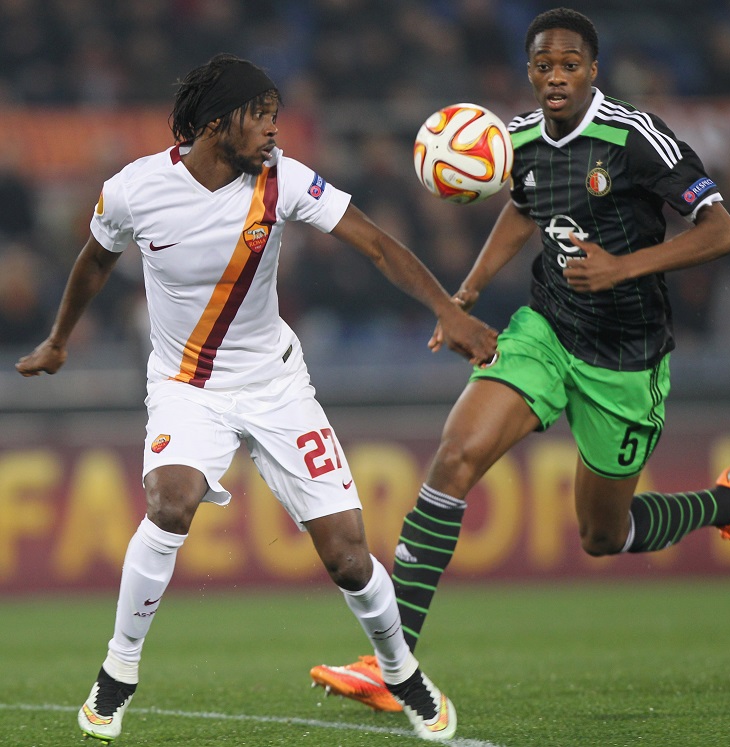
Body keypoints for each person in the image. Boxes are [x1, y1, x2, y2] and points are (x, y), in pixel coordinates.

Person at [17, 53, 499, 743]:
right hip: (186, 386)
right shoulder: (133, 190)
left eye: (276, 117)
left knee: (347, 555)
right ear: (218, 125)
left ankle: (400, 670)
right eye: (262, 117)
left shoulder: (282, 180)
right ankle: (118, 670)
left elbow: (374, 243)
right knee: (170, 501)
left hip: (275, 384)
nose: (274, 130)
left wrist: (447, 311)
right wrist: (59, 340)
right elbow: (95, 260)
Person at [309, 6, 730, 712]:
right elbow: (523, 208)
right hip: (547, 331)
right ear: (529, 72)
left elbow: (722, 229)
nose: (555, 77)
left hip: (626, 357)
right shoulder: (518, 140)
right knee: (456, 456)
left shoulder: (636, 138)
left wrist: (622, 267)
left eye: (569, 66)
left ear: (593, 71)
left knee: (603, 534)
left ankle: (729, 503)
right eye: (543, 66)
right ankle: (391, 664)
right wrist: (466, 291)